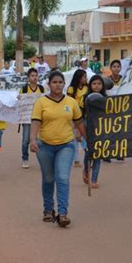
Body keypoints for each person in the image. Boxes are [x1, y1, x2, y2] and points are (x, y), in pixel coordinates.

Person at [30, 71, 86, 227]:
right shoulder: (41, 102)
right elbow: (35, 122)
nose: (57, 85)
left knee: (62, 177)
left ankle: (62, 213)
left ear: (64, 84)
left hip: (66, 145)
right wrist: (33, 140)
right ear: (48, 84)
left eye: (60, 82)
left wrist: (88, 140)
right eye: (54, 82)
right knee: (48, 178)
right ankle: (48, 209)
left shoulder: (71, 102)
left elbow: (80, 122)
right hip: (45, 146)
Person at [80, 75, 106, 188]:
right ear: (90, 85)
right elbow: (80, 115)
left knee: (98, 154)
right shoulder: (84, 98)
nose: (97, 86)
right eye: (94, 84)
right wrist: (78, 130)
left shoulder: (106, 98)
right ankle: (86, 170)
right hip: (87, 129)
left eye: (99, 84)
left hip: (100, 129)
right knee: (88, 153)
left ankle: (94, 179)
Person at [19, 68, 45, 168]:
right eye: (32, 76)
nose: (34, 78)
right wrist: (19, 99)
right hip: (27, 118)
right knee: (26, 140)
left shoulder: (41, 89)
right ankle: (25, 158)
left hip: (39, 119)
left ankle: (42, 159)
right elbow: (19, 101)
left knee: (40, 140)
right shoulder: (24, 89)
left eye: (36, 75)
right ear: (28, 78)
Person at [67, 69, 88, 168]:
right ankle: (76, 160)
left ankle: (89, 157)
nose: (86, 79)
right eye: (84, 77)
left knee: (85, 136)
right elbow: (68, 102)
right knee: (75, 138)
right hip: (74, 116)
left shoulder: (87, 88)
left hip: (85, 115)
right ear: (79, 78)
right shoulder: (71, 89)